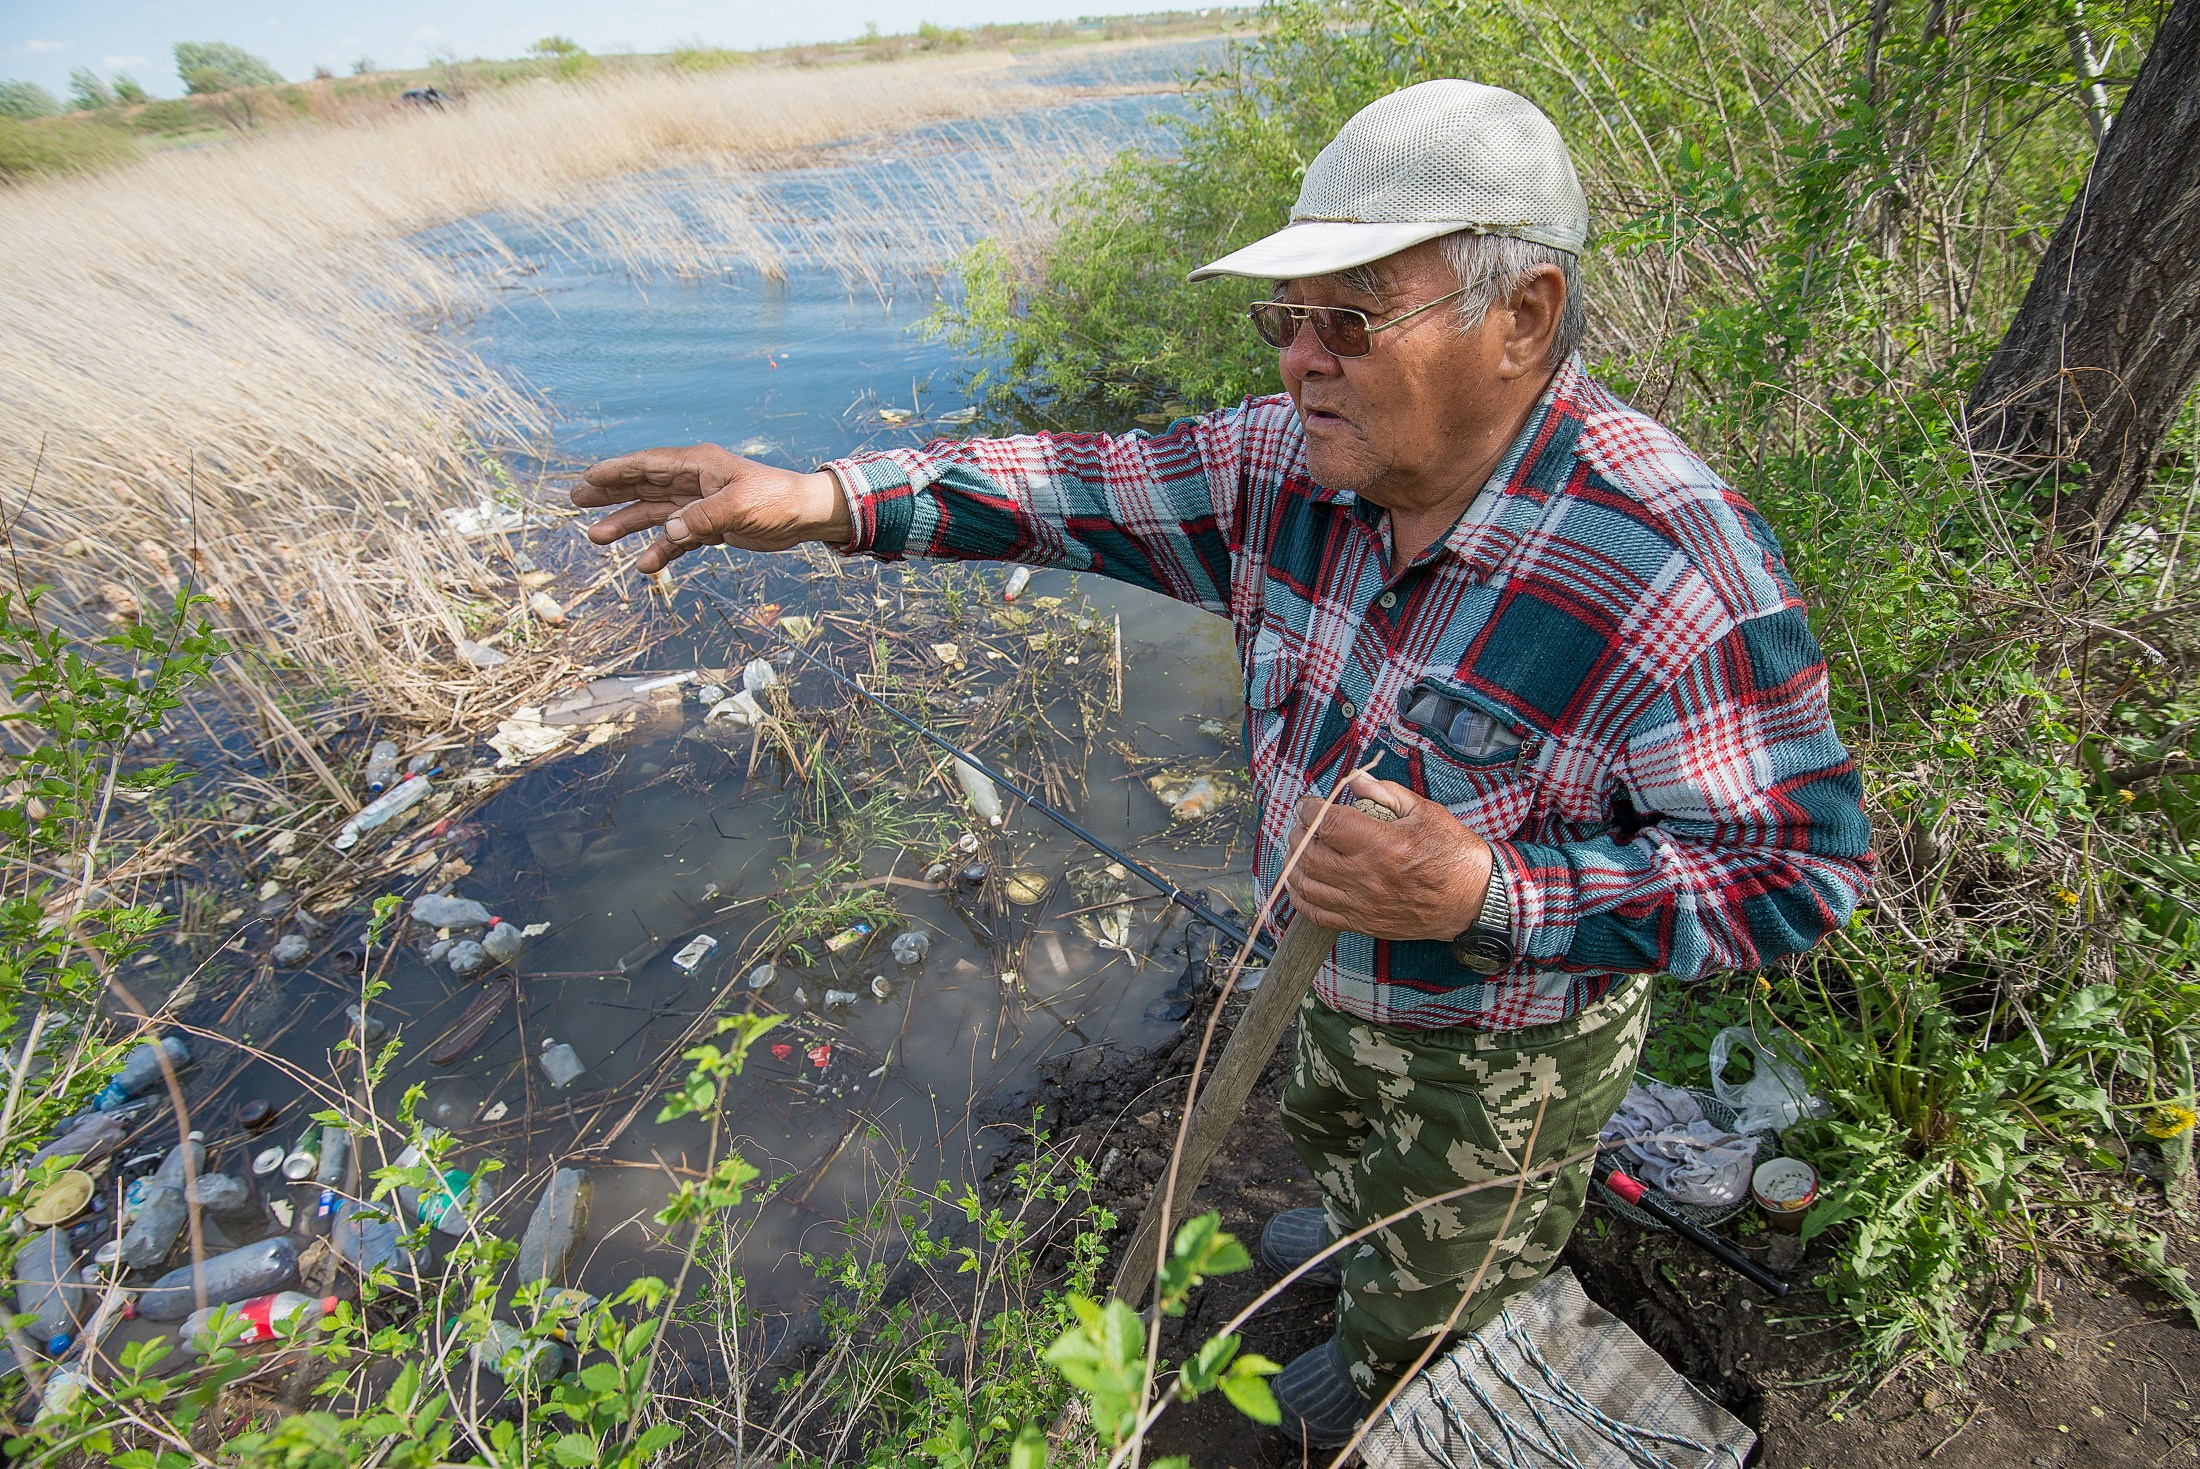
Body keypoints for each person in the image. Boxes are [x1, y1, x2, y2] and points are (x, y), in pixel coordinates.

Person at [571, 79, 1873, 1447]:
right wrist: (826, 501)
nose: (1300, 362)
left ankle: (1388, 1352)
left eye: (1351, 320)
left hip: (1503, 1049)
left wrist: (1490, 888)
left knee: (1456, 1253)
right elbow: (1066, 488)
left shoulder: (1670, 562)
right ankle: (1363, 1227)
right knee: (1333, 1128)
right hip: (1312, 979)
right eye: (1285, 320)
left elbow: (1799, 870)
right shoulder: (1283, 468)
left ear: (1524, 318)